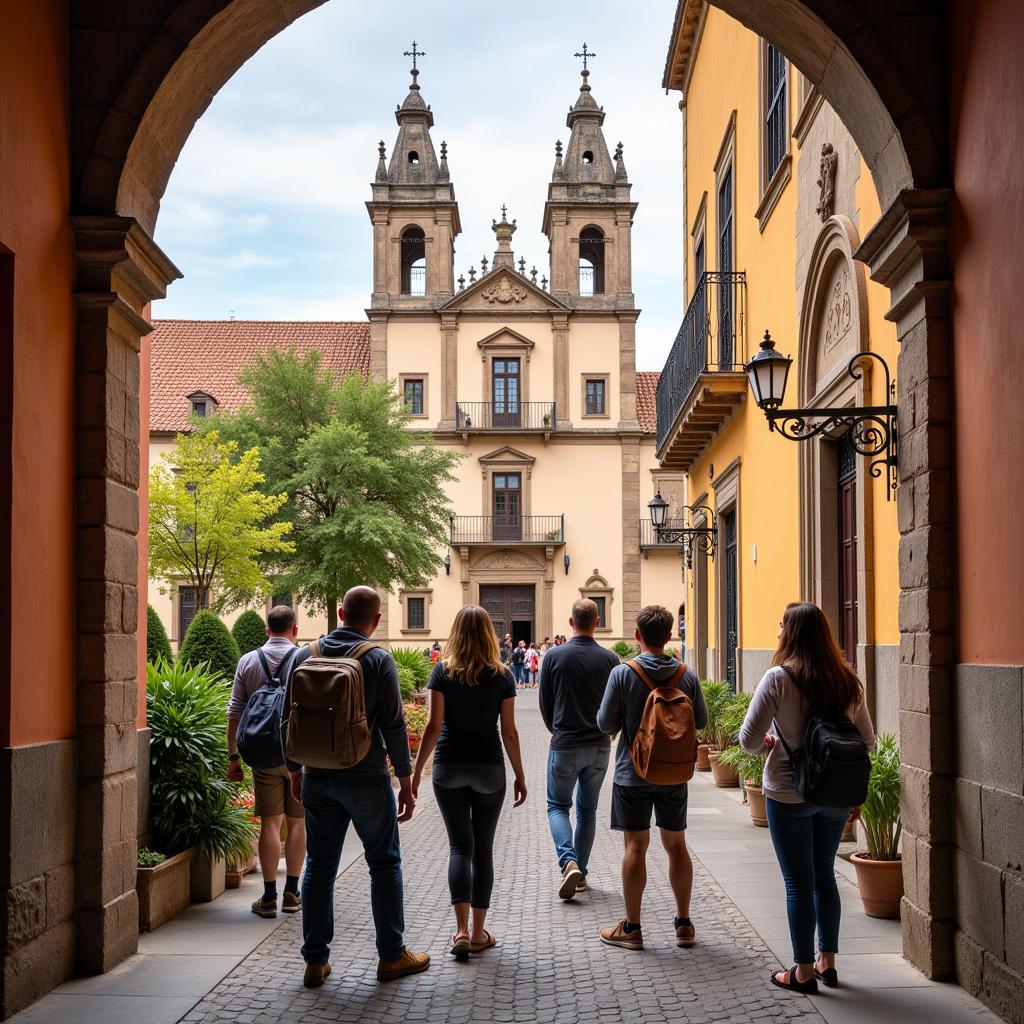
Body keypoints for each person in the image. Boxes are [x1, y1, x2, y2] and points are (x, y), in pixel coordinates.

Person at [285, 586, 430, 988]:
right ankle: (391, 956)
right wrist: (405, 779)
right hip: (366, 776)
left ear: (338, 612)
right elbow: (395, 724)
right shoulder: (378, 660)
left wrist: (294, 769)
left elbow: (288, 718)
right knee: (383, 864)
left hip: (317, 775)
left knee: (318, 866)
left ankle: (315, 961)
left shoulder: (305, 654)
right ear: (377, 620)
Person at [738, 602, 875, 994]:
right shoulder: (848, 681)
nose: (779, 631)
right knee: (824, 877)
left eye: (782, 625)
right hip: (833, 793)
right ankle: (827, 962)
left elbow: (748, 741)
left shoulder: (778, 679)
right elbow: (868, 741)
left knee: (798, 884)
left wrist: (771, 744)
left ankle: (801, 971)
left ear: (791, 633)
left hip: (787, 791)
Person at [411, 606, 527, 960]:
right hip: (489, 766)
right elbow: (508, 731)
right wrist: (520, 774)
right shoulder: (502, 675)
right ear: (490, 635)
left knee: (460, 848)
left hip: (448, 765)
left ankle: (459, 930)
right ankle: (478, 933)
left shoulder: (442, 672)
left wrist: (415, 774)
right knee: (484, 850)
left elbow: (433, 727)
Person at [596, 604, 707, 951]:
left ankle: (632, 927)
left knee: (635, 846)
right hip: (674, 774)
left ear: (637, 636)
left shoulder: (623, 673)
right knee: (676, 845)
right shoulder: (686, 674)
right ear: (670, 635)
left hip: (633, 774)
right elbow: (700, 720)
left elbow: (604, 723)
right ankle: (684, 923)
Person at [538, 599, 620, 900]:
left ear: (571, 623)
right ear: (596, 621)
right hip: (599, 747)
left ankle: (568, 861)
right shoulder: (611, 660)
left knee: (558, 806)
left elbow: (545, 704)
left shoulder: (554, 656)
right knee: (587, 811)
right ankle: (581, 874)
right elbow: (616, 707)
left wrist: (557, 730)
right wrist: (607, 733)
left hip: (565, 744)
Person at [227, 605, 305, 919]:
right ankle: (293, 893)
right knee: (298, 823)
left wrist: (233, 757)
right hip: (298, 755)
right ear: (295, 630)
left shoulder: (248, 660)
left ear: (266, 629)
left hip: (263, 755)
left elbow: (234, 713)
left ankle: (269, 896)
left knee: (271, 824)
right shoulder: (305, 658)